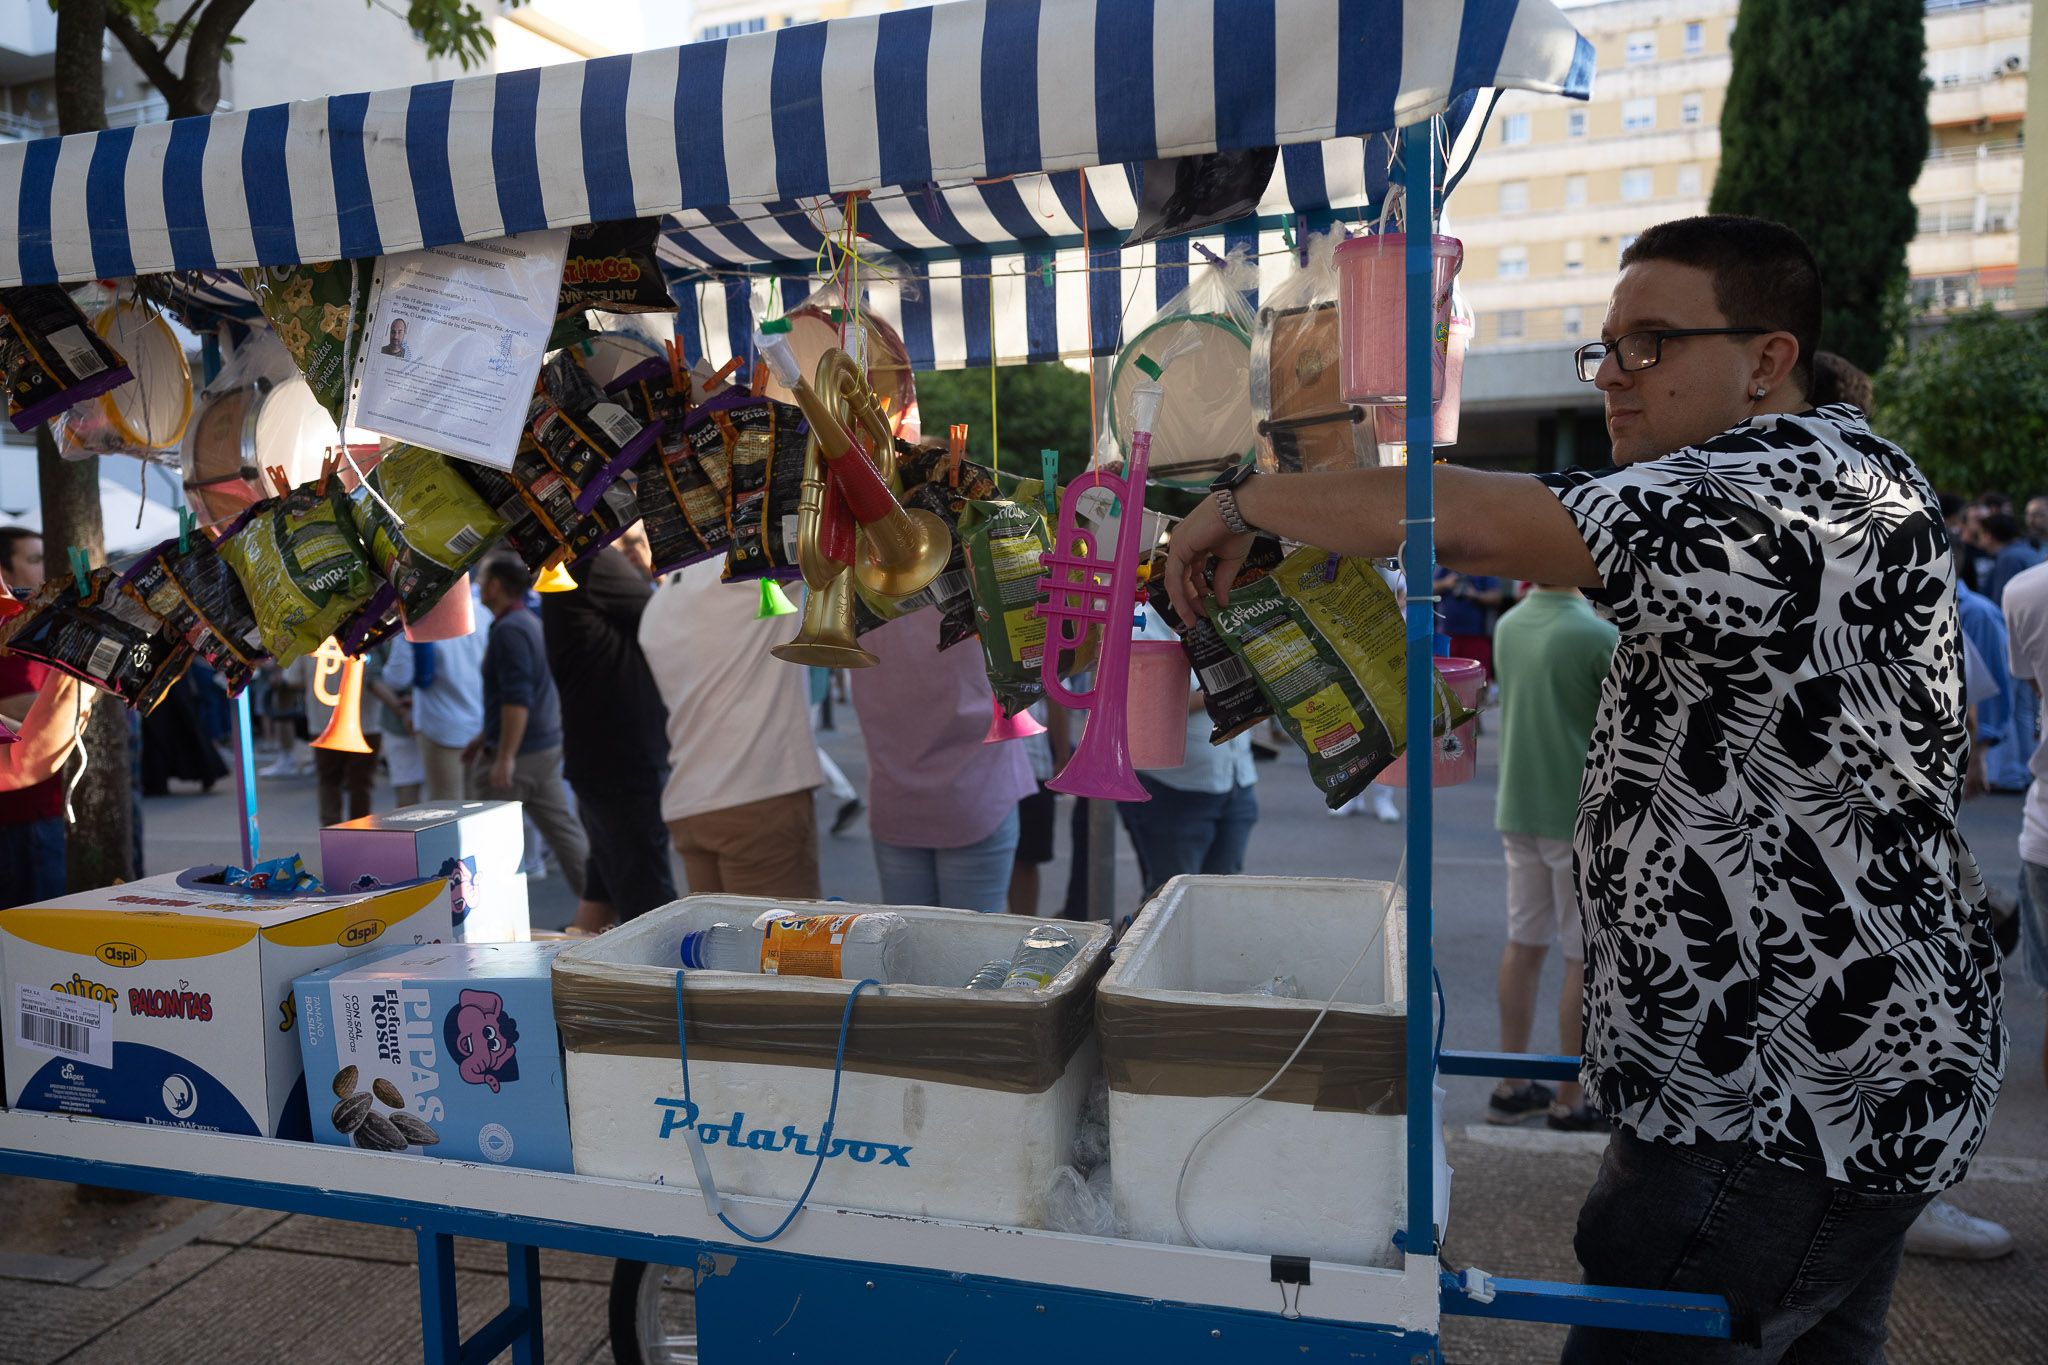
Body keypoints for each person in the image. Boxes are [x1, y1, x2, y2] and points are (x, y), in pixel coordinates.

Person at [1165, 215, 2002, 1364]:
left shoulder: (1777, 488)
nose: (1610, 374)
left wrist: (1239, 504)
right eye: (1604, 346)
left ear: (1767, 360)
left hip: (1772, 1102)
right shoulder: (1848, 468)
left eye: (1650, 344)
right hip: (1851, 1081)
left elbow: (1466, 516)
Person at [1486, 585, 1616, 1132]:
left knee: (1524, 943)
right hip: (1577, 814)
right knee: (1581, 957)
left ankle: (1511, 1084)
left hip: (1518, 806)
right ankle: (1570, 1097)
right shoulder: (1599, 635)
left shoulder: (1509, 625)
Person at [637, 560, 824, 898]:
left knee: (719, 932)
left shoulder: (656, 607)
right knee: (779, 934)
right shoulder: (750, 567)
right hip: (758, 794)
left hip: (690, 802)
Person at [852, 614, 1035, 914]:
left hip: (895, 798)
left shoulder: (856, 597)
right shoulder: (975, 590)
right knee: (967, 940)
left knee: (908, 938)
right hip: (978, 794)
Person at [541, 529, 677, 933]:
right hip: (621, 759)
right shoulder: (591, 558)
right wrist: (660, 574)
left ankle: (570, 964)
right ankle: (658, 972)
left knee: (605, 886)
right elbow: (666, 621)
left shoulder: (579, 560)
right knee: (648, 901)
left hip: (606, 756)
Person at [1116, 612, 1259, 904]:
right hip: (1172, 789)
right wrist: (1231, 687)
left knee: (1221, 900)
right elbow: (1146, 699)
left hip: (1236, 780)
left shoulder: (1226, 613)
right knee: (1168, 902)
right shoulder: (1144, 620)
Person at [467, 558, 588, 899]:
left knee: (483, 845)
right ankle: (602, 908)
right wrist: (485, 736)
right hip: (542, 747)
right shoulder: (526, 622)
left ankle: (490, 915)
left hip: (521, 754)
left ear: (495, 585)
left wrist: (505, 755)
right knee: (565, 832)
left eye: (483, 578)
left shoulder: (510, 630)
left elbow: (517, 699)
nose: (479, 585)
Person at [0, 530, 83, 899]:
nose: (45, 568)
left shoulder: (31, 621)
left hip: (37, 807)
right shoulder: (12, 629)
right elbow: (24, 747)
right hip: (20, 816)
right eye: (34, 559)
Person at [384, 600, 487, 803]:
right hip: (480, 724)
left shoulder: (416, 615)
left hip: (440, 726)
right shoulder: (482, 610)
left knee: (448, 806)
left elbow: (397, 678)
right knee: (477, 806)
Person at [1969, 507, 2044, 606]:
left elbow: (2001, 601)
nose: (1980, 541)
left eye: (1981, 534)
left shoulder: (2008, 559)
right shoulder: (2029, 551)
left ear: (1989, 535)